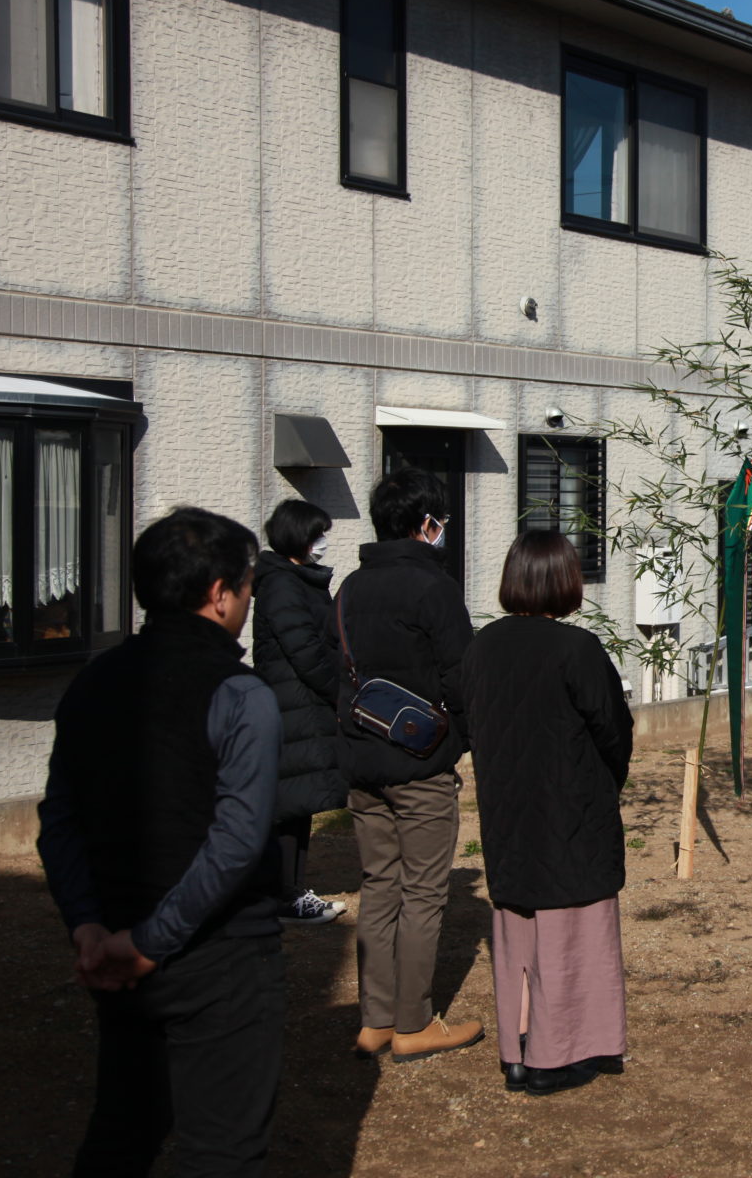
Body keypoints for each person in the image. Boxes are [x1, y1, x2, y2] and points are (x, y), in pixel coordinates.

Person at [37, 506, 285, 1176]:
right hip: (219, 955)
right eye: (248, 586)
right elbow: (237, 842)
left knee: (123, 1131)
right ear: (219, 594)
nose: (248, 600)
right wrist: (148, 940)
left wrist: (87, 924)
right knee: (222, 1148)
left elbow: (58, 819)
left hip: (116, 947)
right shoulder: (240, 693)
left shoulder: (93, 681)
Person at [463, 529, 633, 1095]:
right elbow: (614, 730)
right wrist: (610, 781)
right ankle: (557, 1055)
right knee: (572, 932)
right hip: (569, 811)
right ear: (565, 581)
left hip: (506, 809)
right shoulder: (575, 649)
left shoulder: (482, 646)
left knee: (517, 935)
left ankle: (518, 1048)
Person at [336, 468, 482, 1062]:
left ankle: (374, 1019)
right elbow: (461, 675)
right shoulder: (434, 588)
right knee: (423, 892)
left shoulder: (348, 588)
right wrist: (460, 740)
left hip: (362, 760)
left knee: (378, 888)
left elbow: (331, 675)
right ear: (426, 524)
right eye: (439, 522)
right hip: (421, 762)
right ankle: (414, 1022)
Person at [252, 499, 349, 925]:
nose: (322, 542)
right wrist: (338, 692)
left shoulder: (294, 579)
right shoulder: (282, 584)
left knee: (299, 802)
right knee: (290, 804)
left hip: (299, 704)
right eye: (317, 534)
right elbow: (306, 650)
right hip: (294, 704)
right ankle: (284, 894)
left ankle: (291, 890)